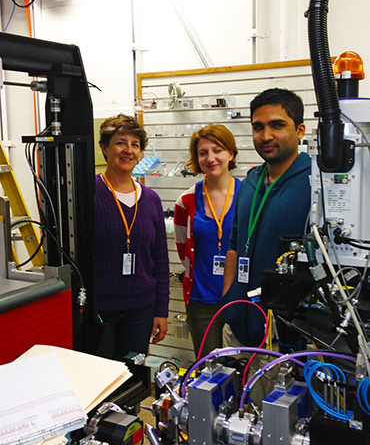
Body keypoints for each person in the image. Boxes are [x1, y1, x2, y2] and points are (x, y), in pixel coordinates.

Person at [222, 88, 311, 403]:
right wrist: (228, 295)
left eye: (277, 125)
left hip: (279, 336)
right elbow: (234, 241)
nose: (266, 135)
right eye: (258, 127)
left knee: (272, 429)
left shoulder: (316, 184)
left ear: (300, 130)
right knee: (232, 415)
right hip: (237, 323)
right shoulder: (251, 181)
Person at [95, 114, 170, 360]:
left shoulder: (151, 199)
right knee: (101, 379)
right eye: (120, 143)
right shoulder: (89, 192)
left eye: (135, 145)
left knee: (133, 378)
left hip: (142, 310)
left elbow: (160, 259)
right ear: (104, 148)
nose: (129, 150)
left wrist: (161, 310)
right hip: (100, 310)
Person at [174, 124, 241, 358]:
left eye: (218, 150)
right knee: (208, 372)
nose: (210, 158)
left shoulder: (248, 197)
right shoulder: (186, 201)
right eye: (203, 153)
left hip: (239, 297)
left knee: (243, 368)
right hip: (201, 300)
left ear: (230, 154)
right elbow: (183, 250)